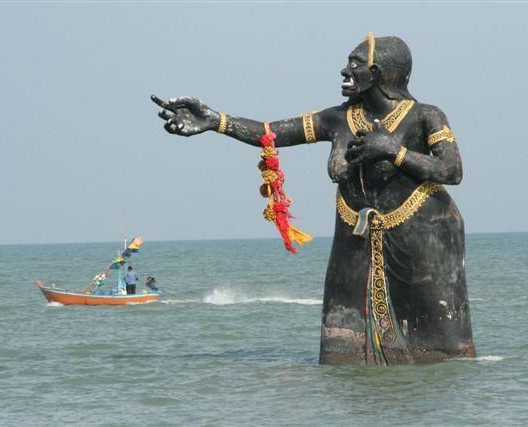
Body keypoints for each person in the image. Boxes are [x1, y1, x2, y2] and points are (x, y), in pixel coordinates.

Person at [152, 33, 475, 365]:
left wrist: (393, 151)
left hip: (424, 236)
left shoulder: (425, 116)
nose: (344, 70)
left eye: (355, 63)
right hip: (354, 237)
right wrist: (215, 120)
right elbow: (269, 132)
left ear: (378, 72)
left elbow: (452, 170)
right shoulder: (335, 119)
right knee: (341, 350)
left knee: (441, 352)